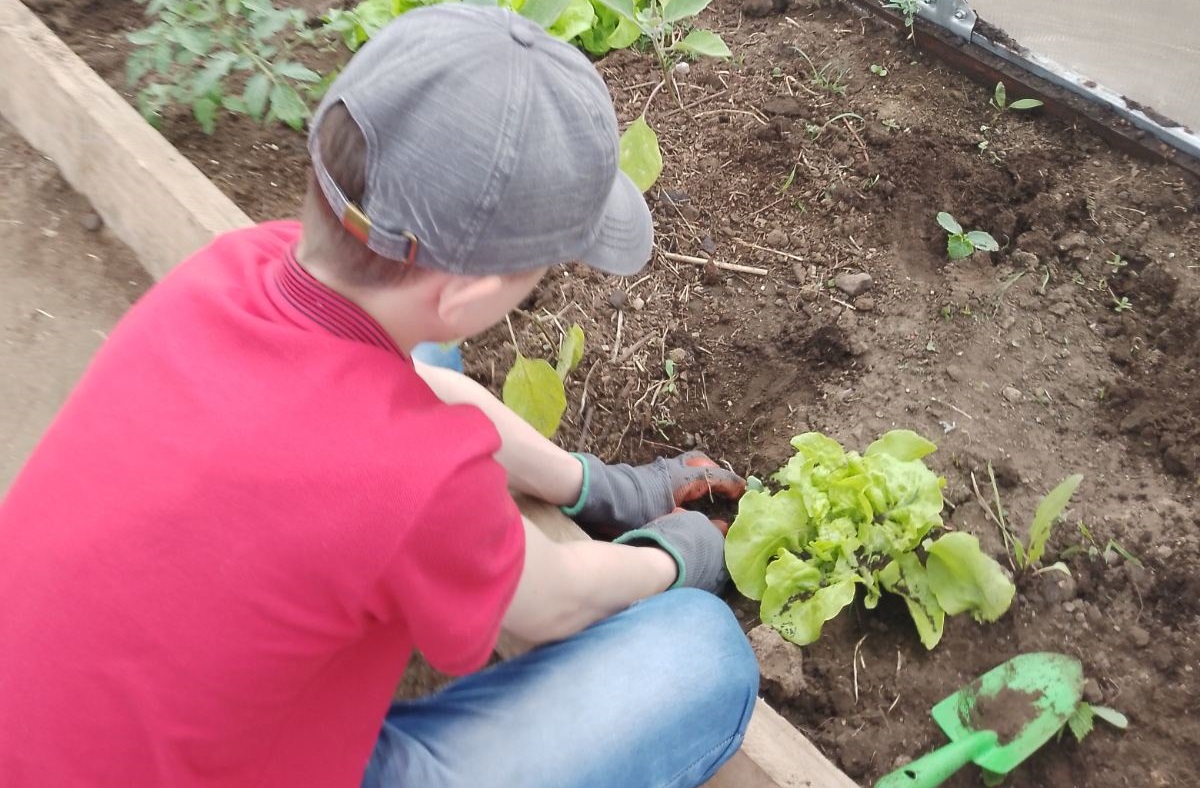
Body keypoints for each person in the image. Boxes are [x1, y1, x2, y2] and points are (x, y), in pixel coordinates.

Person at [0, 6, 759, 787]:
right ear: (470, 294)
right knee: (699, 654)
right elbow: (552, 604)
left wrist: (600, 488)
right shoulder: (409, 482)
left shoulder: (234, 266)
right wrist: (674, 555)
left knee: (407, 357)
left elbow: (427, 383)